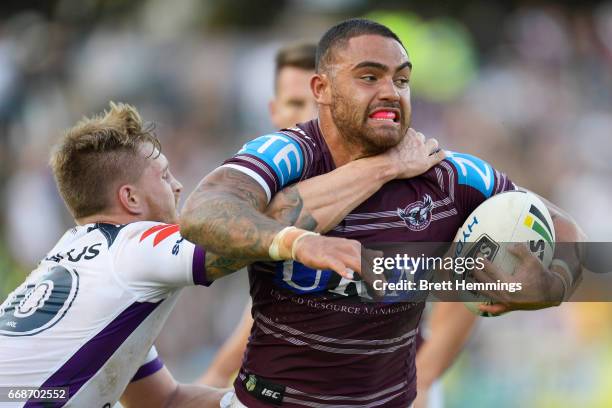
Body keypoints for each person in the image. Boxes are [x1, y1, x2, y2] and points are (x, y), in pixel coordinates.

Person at [180, 18, 585, 407]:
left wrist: (553, 288)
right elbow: (203, 211)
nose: (391, 91)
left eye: (402, 79)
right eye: (369, 77)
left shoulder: (449, 175)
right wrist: (299, 241)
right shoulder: (288, 156)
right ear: (322, 88)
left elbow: (568, 232)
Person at [0, 102, 381, 407]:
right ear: (130, 198)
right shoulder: (134, 246)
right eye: (164, 176)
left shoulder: (87, 265)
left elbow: (163, 400)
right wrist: (382, 167)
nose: (178, 185)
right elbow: (237, 233)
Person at [199, 42, 477, 408]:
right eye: (295, 105)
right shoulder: (272, 175)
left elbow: (466, 266)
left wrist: (424, 380)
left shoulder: (409, 179)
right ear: (274, 110)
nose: (311, 116)